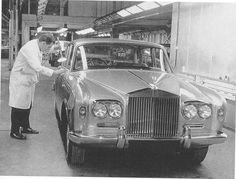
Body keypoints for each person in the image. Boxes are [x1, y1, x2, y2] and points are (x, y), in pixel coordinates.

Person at [9, 33, 67, 140]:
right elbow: (37, 67)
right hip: (20, 80)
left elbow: (41, 61)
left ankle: (25, 127)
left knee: (28, 105)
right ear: (43, 43)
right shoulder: (30, 49)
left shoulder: (38, 46)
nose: (48, 50)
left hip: (28, 79)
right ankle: (14, 131)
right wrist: (55, 72)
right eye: (48, 47)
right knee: (18, 106)